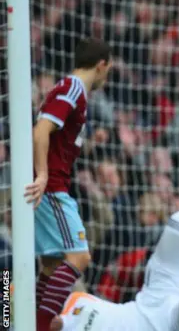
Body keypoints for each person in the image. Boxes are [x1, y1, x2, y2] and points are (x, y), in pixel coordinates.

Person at [49, 138, 179, 331]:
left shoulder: (75, 300)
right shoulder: (34, 316)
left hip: (153, 295)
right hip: (168, 326)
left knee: (178, 225)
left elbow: (37, 295)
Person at [24, 38, 112, 331]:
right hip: (51, 189)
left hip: (54, 185)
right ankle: (39, 324)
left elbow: (56, 140)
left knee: (50, 266)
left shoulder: (72, 93)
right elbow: (41, 131)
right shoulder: (73, 88)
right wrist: (43, 175)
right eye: (108, 71)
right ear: (101, 65)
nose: (106, 77)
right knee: (80, 256)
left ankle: (31, 321)